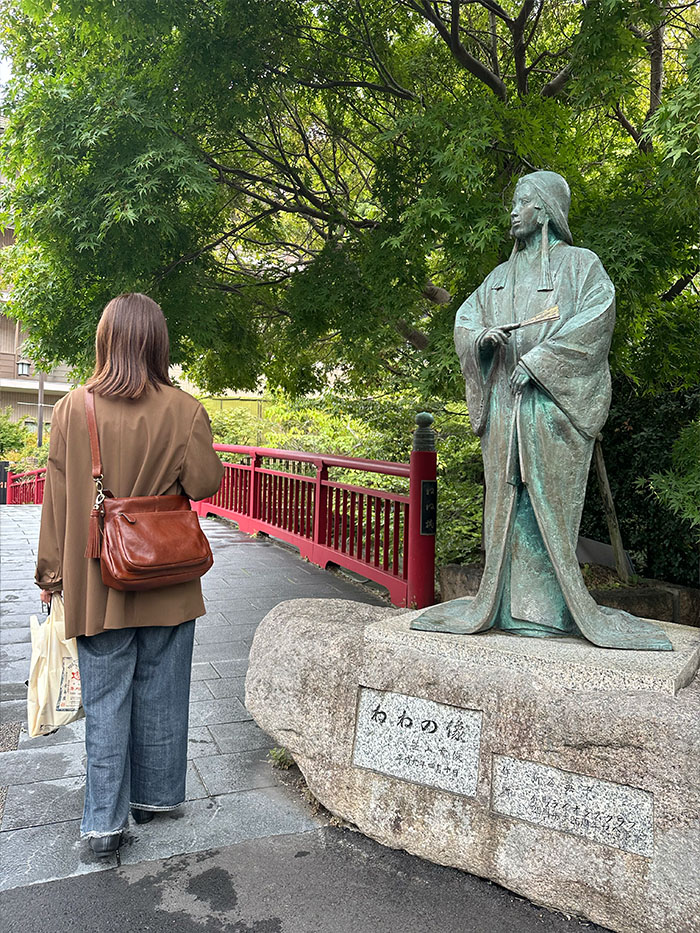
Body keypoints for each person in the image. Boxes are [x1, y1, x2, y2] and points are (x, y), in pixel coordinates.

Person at [411, 171, 670, 651]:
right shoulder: (498, 278)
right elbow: (466, 320)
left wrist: (538, 362)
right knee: (505, 506)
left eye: (523, 202)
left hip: (551, 412)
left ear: (546, 211)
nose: (513, 210)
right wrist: (483, 342)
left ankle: (549, 614)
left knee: (544, 507)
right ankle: (501, 607)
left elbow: (597, 320)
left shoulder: (580, 266)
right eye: (514, 202)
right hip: (505, 408)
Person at [35, 293, 225, 856]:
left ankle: (102, 823)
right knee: (164, 689)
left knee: (106, 696)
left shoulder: (74, 408)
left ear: (105, 340)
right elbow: (205, 483)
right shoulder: (186, 409)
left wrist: (51, 575)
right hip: (167, 575)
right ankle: (157, 797)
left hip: (99, 579)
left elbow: (57, 500)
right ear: (158, 343)